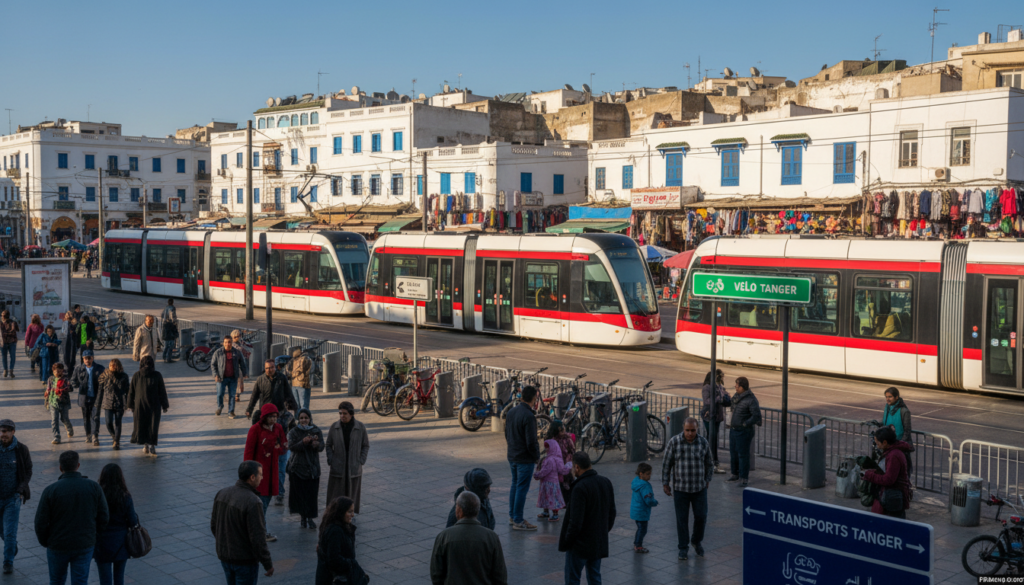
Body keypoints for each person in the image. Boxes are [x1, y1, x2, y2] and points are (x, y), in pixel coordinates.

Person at [34, 451, 109, 585]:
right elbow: (104, 517)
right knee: (80, 581)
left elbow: (40, 522)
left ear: (60, 467)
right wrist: (92, 535)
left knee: (56, 580)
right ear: (78, 465)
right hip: (84, 543)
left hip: (57, 544)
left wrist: (47, 541)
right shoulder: (93, 487)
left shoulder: (51, 490)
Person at [211, 461, 274, 584]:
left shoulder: (221, 493)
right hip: (244, 561)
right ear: (252, 477)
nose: (262, 478)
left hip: (225, 557)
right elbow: (258, 538)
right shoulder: (253, 502)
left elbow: (214, 526)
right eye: (260, 474)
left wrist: (225, 544)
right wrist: (268, 564)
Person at [559, 451, 615, 585]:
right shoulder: (605, 482)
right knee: (595, 577)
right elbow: (612, 513)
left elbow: (575, 522)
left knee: (573, 579)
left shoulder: (580, 487)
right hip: (597, 542)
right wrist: (602, 531)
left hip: (580, 545)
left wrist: (568, 541)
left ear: (577, 467)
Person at [661, 417, 714, 561]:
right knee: (682, 520)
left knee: (701, 516)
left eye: (693, 430)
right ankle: (683, 548)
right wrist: (665, 483)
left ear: (697, 429)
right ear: (683, 429)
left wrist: (707, 479)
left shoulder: (703, 442)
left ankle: (696, 541)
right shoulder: (674, 442)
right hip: (681, 489)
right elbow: (666, 464)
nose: (690, 433)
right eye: (687, 430)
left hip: (699, 488)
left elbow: (709, 463)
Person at [430, 491, 507, 585]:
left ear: (459, 510)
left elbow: (436, 574)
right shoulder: (491, 537)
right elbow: (500, 575)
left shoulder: (444, 536)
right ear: (477, 511)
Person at [243, 404, 286, 541]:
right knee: (261, 504)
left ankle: (258, 531)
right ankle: (261, 532)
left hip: (272, 473)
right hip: (258, 475)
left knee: (264, 503)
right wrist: (248, 473)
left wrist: (278, 449)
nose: (273, 419)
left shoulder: (278, 428)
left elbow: (284, 446)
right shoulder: (255, 430)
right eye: (271, 417)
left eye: (275, 416)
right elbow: (248, 453)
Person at [93, 464, 138, 585]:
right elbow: (133, 521)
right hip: (121, 543)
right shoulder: (125, 496)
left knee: (105, 580)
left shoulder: (98, 496)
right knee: (119, 578)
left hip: (102, 542)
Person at [505, 384, 540, 531]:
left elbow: (506, 433)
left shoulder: (511, 412)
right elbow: (531, 442)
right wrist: (537, 457)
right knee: (521, 488)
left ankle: (513, 516)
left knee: (515, 485)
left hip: (512, 455)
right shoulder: (529, 416)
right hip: (524, 458)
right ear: (534, 399)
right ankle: (518, 520)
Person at [0, 419, 32, 575]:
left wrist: (20, 490)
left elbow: (28, 471)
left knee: (10, 532)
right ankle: (12, 546)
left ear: (13, 432)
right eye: (1, 431)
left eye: (6, 431)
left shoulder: (21, 449)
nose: (3, 434)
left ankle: (8, 562)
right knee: (3, 531)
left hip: (13, 498)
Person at [325, 401, 369, 512]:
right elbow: (328, 445)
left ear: (351, 414)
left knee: (351, 494)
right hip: (338, 467)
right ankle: (335, 514)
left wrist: (361, 460)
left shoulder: (360, 427)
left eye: (344, 413)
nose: (342, 416)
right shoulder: (334, 427)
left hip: (353, 467)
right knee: (336, 495)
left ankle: (349, 514)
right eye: (340, 413)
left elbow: (365, 445)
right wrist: (331, 459)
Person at [862, 426, 913, 518]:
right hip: (891, 496)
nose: (877, 445)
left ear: (885, 442)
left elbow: (888, 479)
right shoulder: (892, 452)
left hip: (892, 499)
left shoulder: (894, 455)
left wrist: (870, 475)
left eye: (878, 443)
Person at [315, 497, 368, 585]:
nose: (353, 515)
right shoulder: (335, 531)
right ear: (341, 512)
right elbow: (334, 559)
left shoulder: (343, 527)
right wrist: (351, 563)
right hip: (333, 579)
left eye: (353, 511)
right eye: (349, 512)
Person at [286, 408, 324, 529]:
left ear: (310, 418)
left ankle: (310, 518)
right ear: (298, 419)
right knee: (301, 495)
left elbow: (322, 446)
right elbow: (291, 447)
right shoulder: (293, 432)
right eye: (301, 418)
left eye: (306, 418)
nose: (304, 420)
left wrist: (316, 444)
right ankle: (303, 517)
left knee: (311, 495)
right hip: (298, 468)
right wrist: (303, 442)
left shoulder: (316, 430)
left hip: (312, 468)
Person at [127, 356, 169, 455]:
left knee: (142, 425)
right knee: (153, 426)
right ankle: (152, 446)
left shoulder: (137, 375)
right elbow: (162, 391)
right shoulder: (157, 375)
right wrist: (165, 405)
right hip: (154, 405)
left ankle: (145, 445)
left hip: (140, 405)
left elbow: (131, 391)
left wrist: (130, 404)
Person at [727, 377, 760, 487]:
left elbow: (756, 416)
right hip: (734, 429)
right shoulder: (737, 396)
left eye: (737, 385)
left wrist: (745, 424)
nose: (735, 387)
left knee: (743, 455)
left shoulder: (751, 399)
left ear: (742, 387)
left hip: (743, 431)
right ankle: (735, 473)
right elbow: (730, 403)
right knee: (733, 453)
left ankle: (743, 477)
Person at [534, 431, 572, 522]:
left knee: (550, 498)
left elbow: (544, 471)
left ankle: (553, 514)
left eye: (547, 447)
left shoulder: (550, 460)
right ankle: (547, 512)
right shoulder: (557, 459)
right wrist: (568, 465)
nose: (546, 449)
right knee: (550, 498)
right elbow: (562, 470)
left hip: (549, 484)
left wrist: (537, 475)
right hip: (550, 483)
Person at [70, 349, 105, 447]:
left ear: (92, 358)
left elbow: (105, 381)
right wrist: (78, 385)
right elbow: (73, 380)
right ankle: (88, 435)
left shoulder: (100, 368)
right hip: (84, 397)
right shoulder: (79, 368)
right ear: (83, 359)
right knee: (86, 418)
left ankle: (95, 436)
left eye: (89, 358)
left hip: (96, 397)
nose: (87, 360)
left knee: (95, 417)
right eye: (85, 358)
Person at [97, 359, 130, 450]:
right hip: (108, 402)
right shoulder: (105, 375)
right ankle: (114, 436)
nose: (112, 367)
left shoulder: (124, 376)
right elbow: (100, 390)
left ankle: (116, 442)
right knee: (108, 422)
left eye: (114, 366)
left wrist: (129, 403)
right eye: (111, 365)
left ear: (118, 366)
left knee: (118, 423)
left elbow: (127, 390)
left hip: (119, 402)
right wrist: (98, 403)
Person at [701, 369, 729, 474]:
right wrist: (719, 397)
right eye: (721, 376)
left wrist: (726, 397)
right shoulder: (707, 387)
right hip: (709, 416)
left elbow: (724, 397)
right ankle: (710, 461)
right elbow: (707, 401)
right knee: (711, 439)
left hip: (717, 416)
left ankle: (713, 461)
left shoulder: (719, 387)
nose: (722, 379)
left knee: (714, 439)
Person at [246, 360, 291, 426]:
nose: (269, 370)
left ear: (275, 367)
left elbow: (289, 394)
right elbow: (254, 396)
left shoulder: (282, 378)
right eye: (267, 368)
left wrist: (292, 408)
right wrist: (249, 410)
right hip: (265, 412)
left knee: (278, 430)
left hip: (278, 412)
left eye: (271, 367)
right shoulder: (260, 379)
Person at [212, 337, 247, 418]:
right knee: (220, 394)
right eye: (226, 342)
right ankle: (220, 406)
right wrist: (215, 375)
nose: (228, 344)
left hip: (233, 378)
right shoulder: (218, 352)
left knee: (232, 395)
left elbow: (242, 363)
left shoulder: (237, 352)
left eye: (229, 342)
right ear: (223, 343)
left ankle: (231, 411)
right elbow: (213, 364)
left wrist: (245, 373)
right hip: (221, 378)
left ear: (231, 343)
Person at [631, 462, 658, 554]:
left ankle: (636, 543)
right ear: (641, 474)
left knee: (640, 528)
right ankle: (638, 545)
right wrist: (655, 502)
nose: (649, 476)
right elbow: (648, 500)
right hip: (642, 511)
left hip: (636, 510)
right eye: (647, 474)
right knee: (643, 529)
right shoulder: (645, 486)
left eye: (650, 474)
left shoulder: (636, 482)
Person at [44, 363, 75, 445]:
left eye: (58, 371)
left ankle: (69, 428)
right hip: (53, 402)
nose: (57, 373)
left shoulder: (65, 379)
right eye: (55, 371)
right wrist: (47, 396)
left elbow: (71, 388)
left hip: (63, 402)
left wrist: (63, 389)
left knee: (64, 418)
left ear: (62, 370)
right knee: (54, 420)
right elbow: (48, 388)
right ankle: (56, 436)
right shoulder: (51, 379)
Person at [286, 348, 312, 412]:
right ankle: (304, 417)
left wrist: (292, 374)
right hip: (302, 384)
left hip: (294, 384)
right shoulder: (304, 359)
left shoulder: (292, 361)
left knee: (296, 406)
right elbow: (307, 368)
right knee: (304, 406)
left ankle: (297, 417)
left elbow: (288, 370)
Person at [1, 310, 19, 378]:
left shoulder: (1, 323)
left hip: (4, 342)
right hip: (12, 342)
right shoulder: (13, 322)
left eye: (2, 315)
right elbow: (17, 330)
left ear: (3, 316)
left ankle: (6, 370)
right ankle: (10, 370)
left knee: (4, 357)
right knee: (12, 356)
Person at [160, 299, 178, 363]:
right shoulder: (172, 308)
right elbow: (173, 317)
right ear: (172, 302)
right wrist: (175, 323)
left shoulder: (165, 308)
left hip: (165, 327)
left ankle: (164, 357)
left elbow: (162, 315)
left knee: (166, 345)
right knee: (171, 344)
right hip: (170, 327)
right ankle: (169, 358)